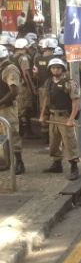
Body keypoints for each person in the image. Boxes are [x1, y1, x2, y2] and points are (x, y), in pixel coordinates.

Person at [38, 58, 80, 180]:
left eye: (58, 68)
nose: (55, 70)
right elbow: (46, 99)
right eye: (53, 68)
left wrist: (71, 119)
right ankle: (57, 164)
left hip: (64, 116)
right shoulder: (48, 82)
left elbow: (76, 102)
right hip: (52, 116)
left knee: (69, 142)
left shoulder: (69, 83)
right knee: (54, 142)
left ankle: (74, 167)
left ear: (62, 69)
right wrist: (42, 115)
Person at [0, 45, 25, 174]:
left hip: (7, 107)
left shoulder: (10, 68)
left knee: (12, 134)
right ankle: (6, 162)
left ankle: (19, 162)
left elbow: (14, 91)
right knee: (1, 136)